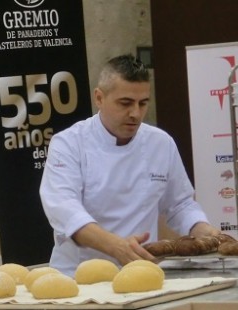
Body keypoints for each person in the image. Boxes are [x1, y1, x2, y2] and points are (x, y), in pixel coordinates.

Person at [39, 54, 220, 277]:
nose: (135, 113)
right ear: (99, 98)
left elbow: (180, 204)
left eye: (142, 103)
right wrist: (116, 246)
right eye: (125, 103)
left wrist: (204, 230)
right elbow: (65, 210)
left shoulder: (160, 143)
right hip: (77, 278)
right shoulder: (68, 143)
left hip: (141, 273)